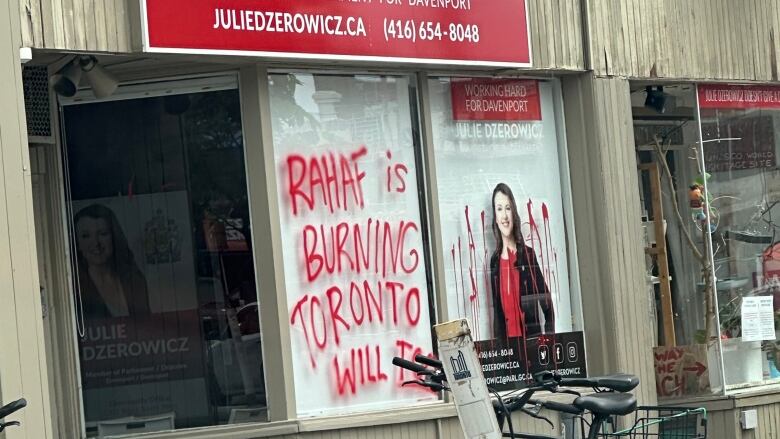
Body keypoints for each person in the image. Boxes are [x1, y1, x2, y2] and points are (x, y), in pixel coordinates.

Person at [489, 183, 554, 340]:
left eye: (508, 208)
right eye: (499, 209)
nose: (504, 215)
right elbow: (497, 314)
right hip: (509, 353)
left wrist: (548, 342)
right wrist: (500, 354)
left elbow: (547, 304)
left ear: (514, 213)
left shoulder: (527, 255)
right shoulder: (495, 262)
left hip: (531, 345)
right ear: (495, 218)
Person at [74, 204, 150, 319]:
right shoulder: (73, 288)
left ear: (114, 237)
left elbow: (149, 326)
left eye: (103, 234)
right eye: (86, 236)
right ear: (77, 244)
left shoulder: (135, 280)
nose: (96, 243)